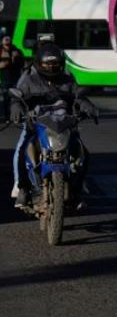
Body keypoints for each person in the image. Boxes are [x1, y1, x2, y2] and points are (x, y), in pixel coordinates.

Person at [10, 42, 98, 209]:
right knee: (22, 152)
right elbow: (16, 97)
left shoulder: (67, 79)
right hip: (37, 123)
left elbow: (78, 95)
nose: (51, 67)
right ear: (39, 63)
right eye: (47, 64)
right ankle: (23, 188)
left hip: (64, 124)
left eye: (55, 64)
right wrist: (16, 108)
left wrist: (86, 104)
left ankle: (76, 190)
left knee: (83, 154)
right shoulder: (29, 79)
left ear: (61, 63)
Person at [0, 35, 25, 122]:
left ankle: (16, 117)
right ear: (2, 41)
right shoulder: (0, 51)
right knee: (5, 98)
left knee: (16, 98)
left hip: (16, 78)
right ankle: (6, 117)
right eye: (5, 39)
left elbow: (22, 64)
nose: (7, 41)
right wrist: (7, 61)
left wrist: (17, 58)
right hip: (4, 79)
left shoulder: (17, 51)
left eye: (9, 39)